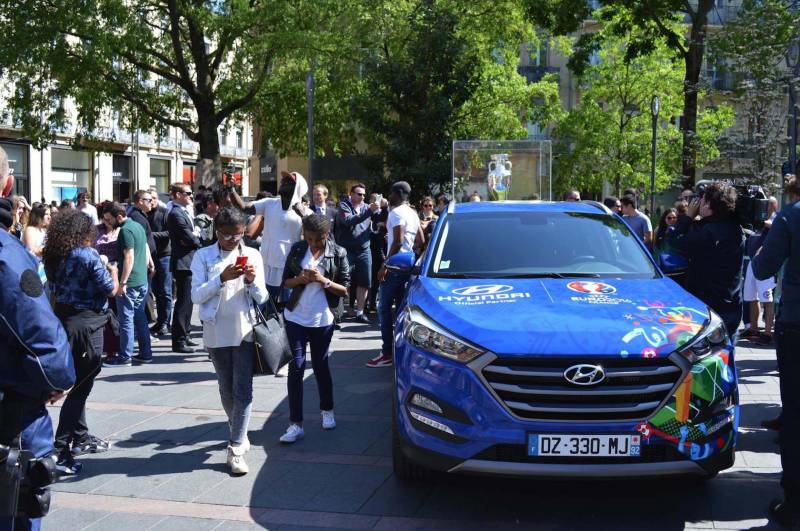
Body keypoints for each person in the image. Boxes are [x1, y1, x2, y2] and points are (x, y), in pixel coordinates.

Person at [0, 147, 75, 531]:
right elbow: (42, 340)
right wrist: (56, 378)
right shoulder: (7, 255)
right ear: (8, 184)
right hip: (11, 417)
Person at [191, 207, 266, 475]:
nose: (233, 241)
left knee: (243, 388)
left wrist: (253, 281)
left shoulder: (252, 254)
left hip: (245, 330)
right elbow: (196, 297)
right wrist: (221, 278)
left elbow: (263, 298)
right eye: (227, 235)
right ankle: (238, 427)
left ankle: (235, 447)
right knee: (226, 388)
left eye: (238, 235)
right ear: (216, 232)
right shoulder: (203, 256)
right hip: (215, 330)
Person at [43, 209, 119, 475]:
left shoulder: (53, 255)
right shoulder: (87, 255)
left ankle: (82, 437)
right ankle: (61, 449)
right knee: (81, 387)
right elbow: (111, 289)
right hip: (88, 324)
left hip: (64, 321)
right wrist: (112, 268)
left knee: (78, 381)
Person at [751, 176, 800, 527]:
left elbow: (763, 267)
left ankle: (794, 502)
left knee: (796, 413)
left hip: (797, 323)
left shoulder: (790, 216)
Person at [279, 214, 350, 443]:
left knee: (320, 365)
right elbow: (285, 282)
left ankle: (327, 409)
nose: (312, 244)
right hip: (295, 317)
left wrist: (323, 280)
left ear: (326, 235)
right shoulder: (298, 250)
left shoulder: (338, 253)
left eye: (317, 239)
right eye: (308, 238)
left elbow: (345, 290)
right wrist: (300, 279)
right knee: (296, 366)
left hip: (322, 320)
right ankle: (295, 424)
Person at [668, 182, 745, 337]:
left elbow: (675, 241)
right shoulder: (736, 228)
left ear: (708, 205)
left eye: (701, 200)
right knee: (727, 353)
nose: (697, 203)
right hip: (732, 303)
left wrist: (688, 217)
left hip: (708, 306)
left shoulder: (708, 232)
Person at [233, 172, 308, 304]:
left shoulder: (303, 210)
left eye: (288, 181)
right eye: (283, 179)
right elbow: (244, 207)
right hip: (266, 264)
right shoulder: (269, 203)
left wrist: (303, 215)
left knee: (286, 309)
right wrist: (231, 189)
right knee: (263, 304)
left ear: (297, 188)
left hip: (289, 268)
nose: (283, 182)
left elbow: (318, 232)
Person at [367, 181, 419, 368]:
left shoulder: (396, 213)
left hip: (395, 266)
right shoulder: (413, 213)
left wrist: (385, 264)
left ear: (398, 193)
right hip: (408, 264)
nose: (389, 196)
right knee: (399, 311)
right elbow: (420, 240)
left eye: (391, 192)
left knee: (384, 308)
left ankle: (387, 352)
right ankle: (398, 349)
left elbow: (397, 241)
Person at [102, 202, 155, 366]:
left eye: (109, 219)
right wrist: (149, 265)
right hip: (141, 280)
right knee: (139, 318)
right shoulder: (137, 226)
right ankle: (145, 353)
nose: (108, 223)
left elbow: (129, 256)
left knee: (126, 320)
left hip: (130, 282)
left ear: (118, 216)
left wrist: (122, 282)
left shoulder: (125, 230)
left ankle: (125, 356)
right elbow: (145, 248)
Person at [335, 183, 383, 323]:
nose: (362, 196)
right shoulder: (344, 206)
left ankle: (360, 313)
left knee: (365, 281)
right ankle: (337, 313)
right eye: (359, 194)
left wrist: (382, 208)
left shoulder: (368, 207)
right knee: (342, 280)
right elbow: (349, 221)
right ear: (351, 194)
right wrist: (369, 211)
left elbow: (378, 220)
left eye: (363, 194)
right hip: (346, 250)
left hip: (363, 249)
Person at [167, 184, 201, 353]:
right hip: (183, 263)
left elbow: (192, 237)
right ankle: (179, 340)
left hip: (189, 261)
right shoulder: (175, 213)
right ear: (178, 194)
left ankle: (186, 334)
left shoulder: (185, 211)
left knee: (189, 302)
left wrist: (194, 236)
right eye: (188, 193)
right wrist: (194, 237)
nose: (191, 195)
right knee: (183, 302)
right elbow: (190, 238)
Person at [741, 220, 776, 345]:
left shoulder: (772, 219)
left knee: (767, 301)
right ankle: (753, 329)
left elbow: (775, 226)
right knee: (752, 298)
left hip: (765, 264)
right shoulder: (754, 222)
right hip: (752, 262)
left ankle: (767, 334)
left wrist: (764, 222)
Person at [148, 192, 172, 337]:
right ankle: (160, 320)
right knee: (156, 290)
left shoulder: (165, 213)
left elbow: (169, 233)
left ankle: (165, 323)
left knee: (165, 291)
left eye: (154, 199)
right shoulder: (144, 214)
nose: (151, 202)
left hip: (164, 255)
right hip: (151, 256)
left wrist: (150, 236)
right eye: (149, 199)